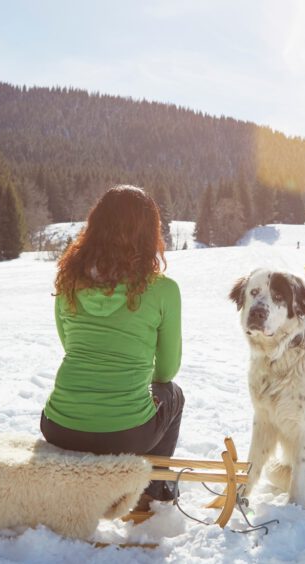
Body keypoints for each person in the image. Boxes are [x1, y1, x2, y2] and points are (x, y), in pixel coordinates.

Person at [40, 185, 183, 512]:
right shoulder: (163, 290)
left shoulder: (68, 283)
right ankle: (154, 492)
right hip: (125, 436)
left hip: (58, 428)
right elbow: (166, 371)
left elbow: (69, 345)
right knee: (172, 393)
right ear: (149, 234)